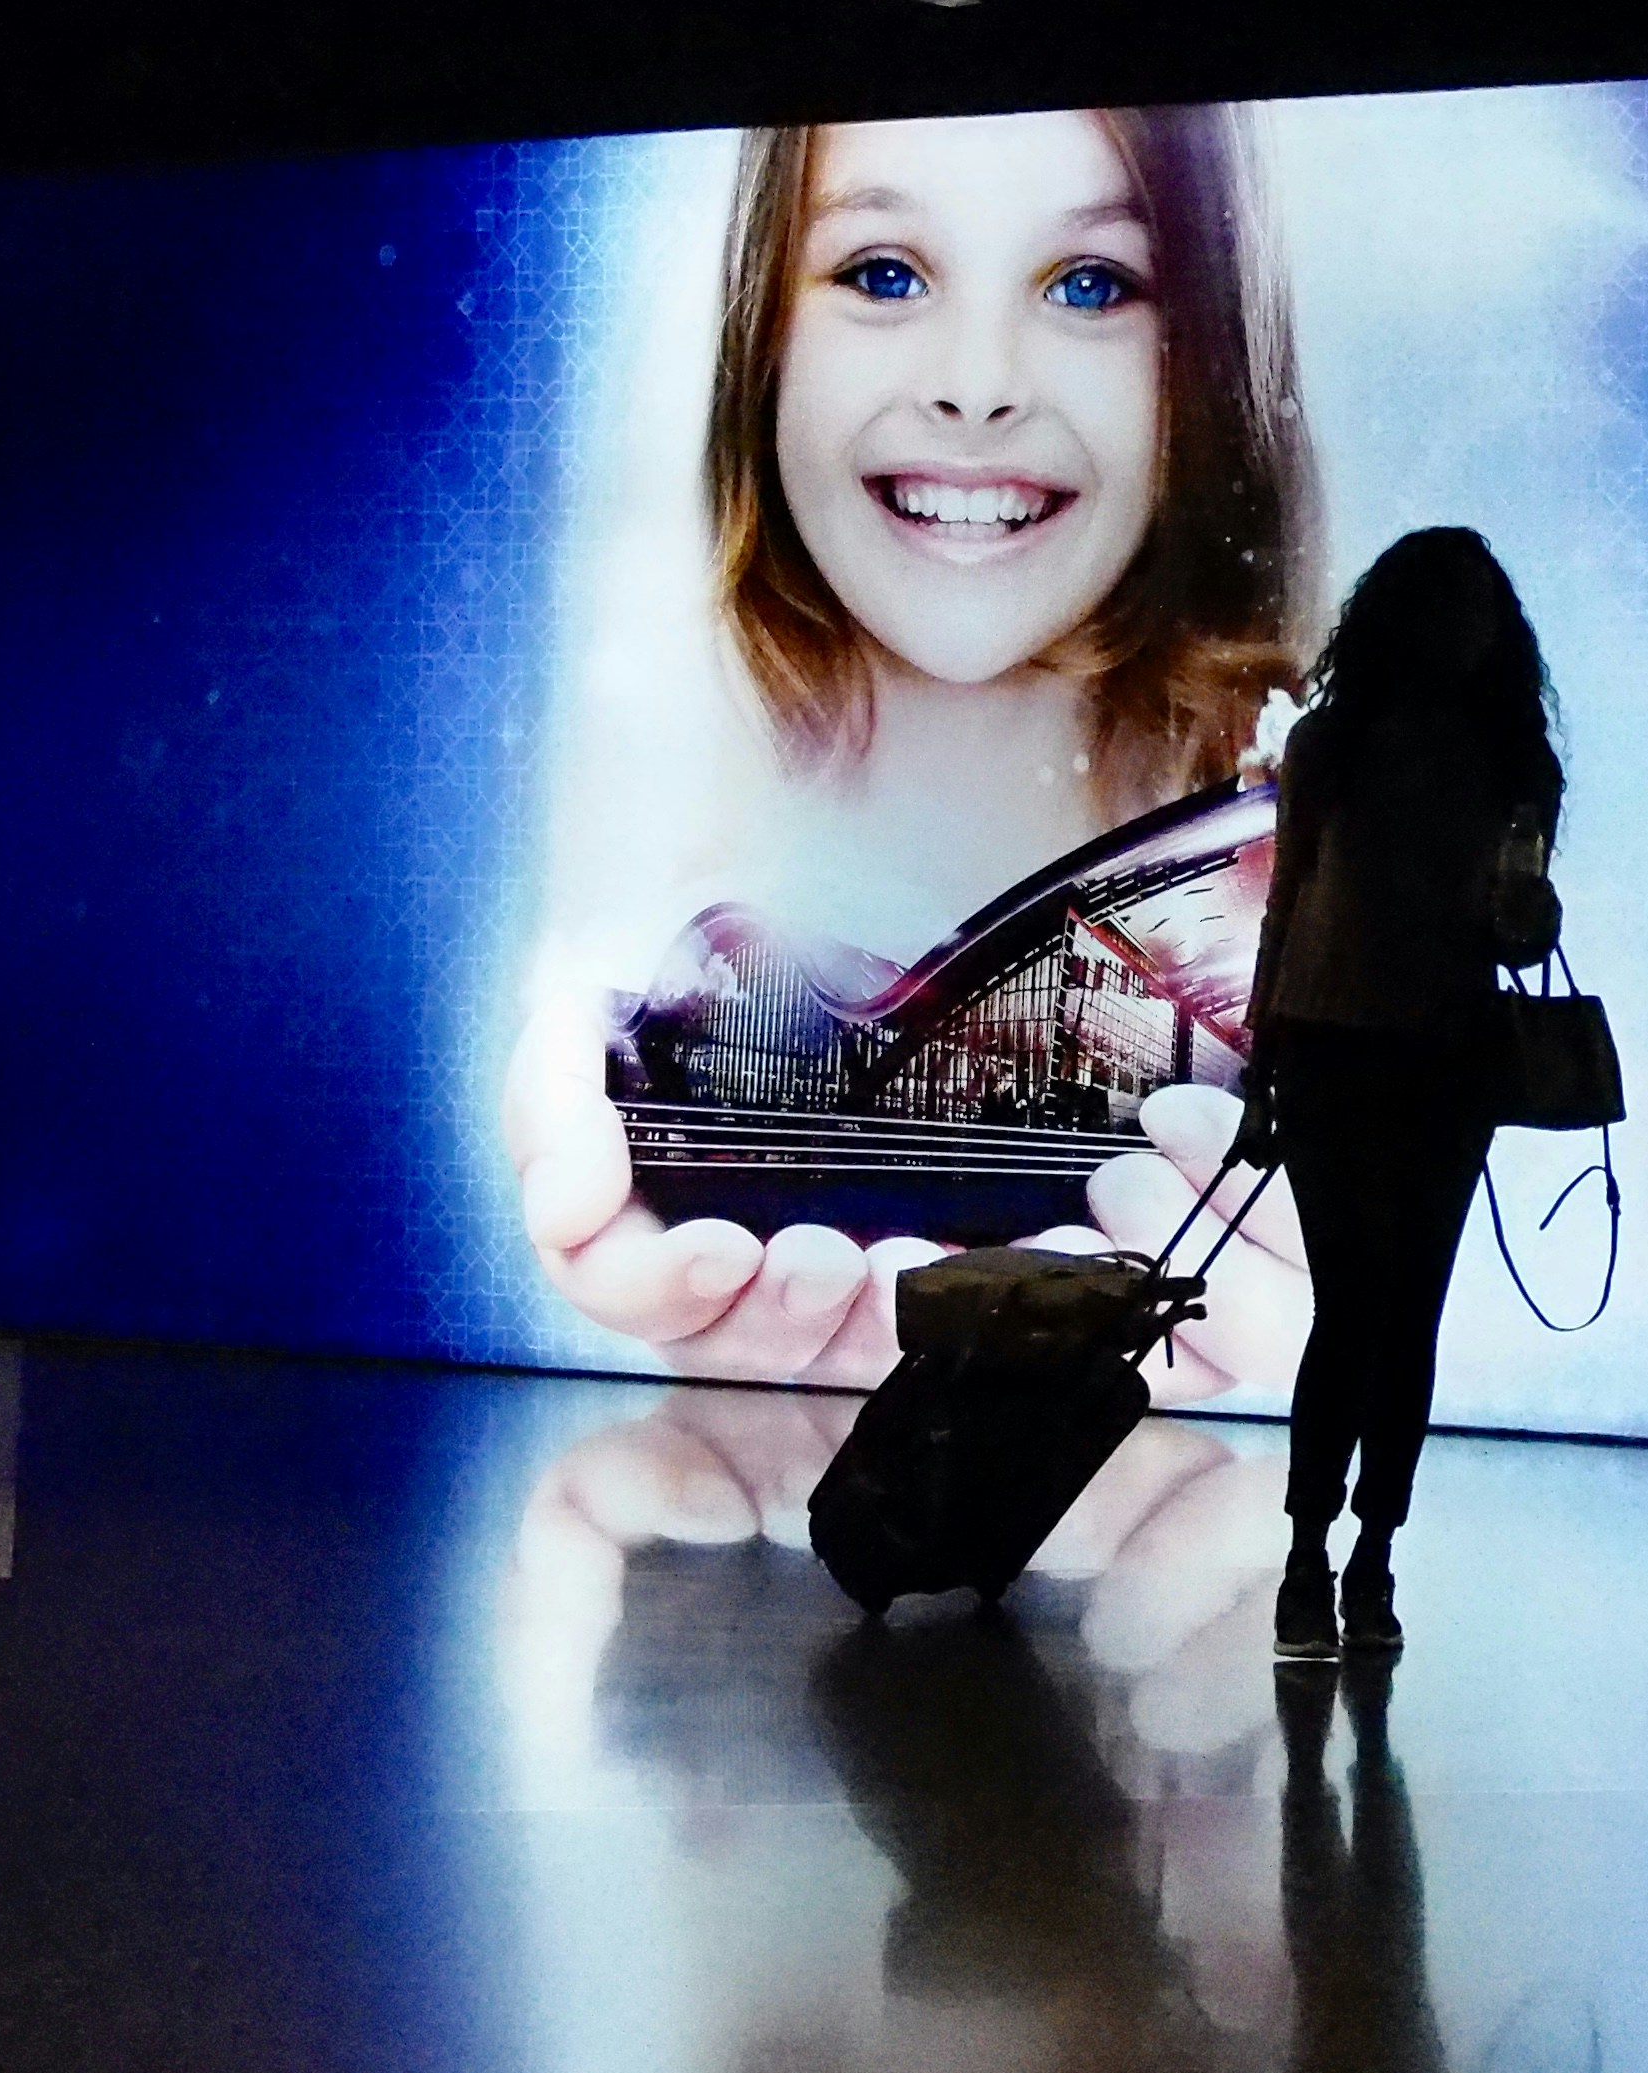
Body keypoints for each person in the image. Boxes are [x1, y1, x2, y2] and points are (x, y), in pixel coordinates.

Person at [502, 105, 1325, 1395]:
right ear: (762, 329)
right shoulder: (630, 868)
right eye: (883, 273)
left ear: (1207, 359)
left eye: (1091, 283)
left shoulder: (1315, 888)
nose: (978, 381)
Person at [1238, 527, 1562, 1661]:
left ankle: (1342, 1559)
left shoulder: (1480, 761)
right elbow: (1285, 909)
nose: (1470, 628)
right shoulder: (1351, 747)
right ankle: (1329, 1559)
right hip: (1367, 1046)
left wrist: (1260, 1065)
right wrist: (1261, 1061)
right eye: (1458, 606)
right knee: (1373, 1311)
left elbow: (1517, 929)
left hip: (1398, 1046)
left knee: (1385, 1311)